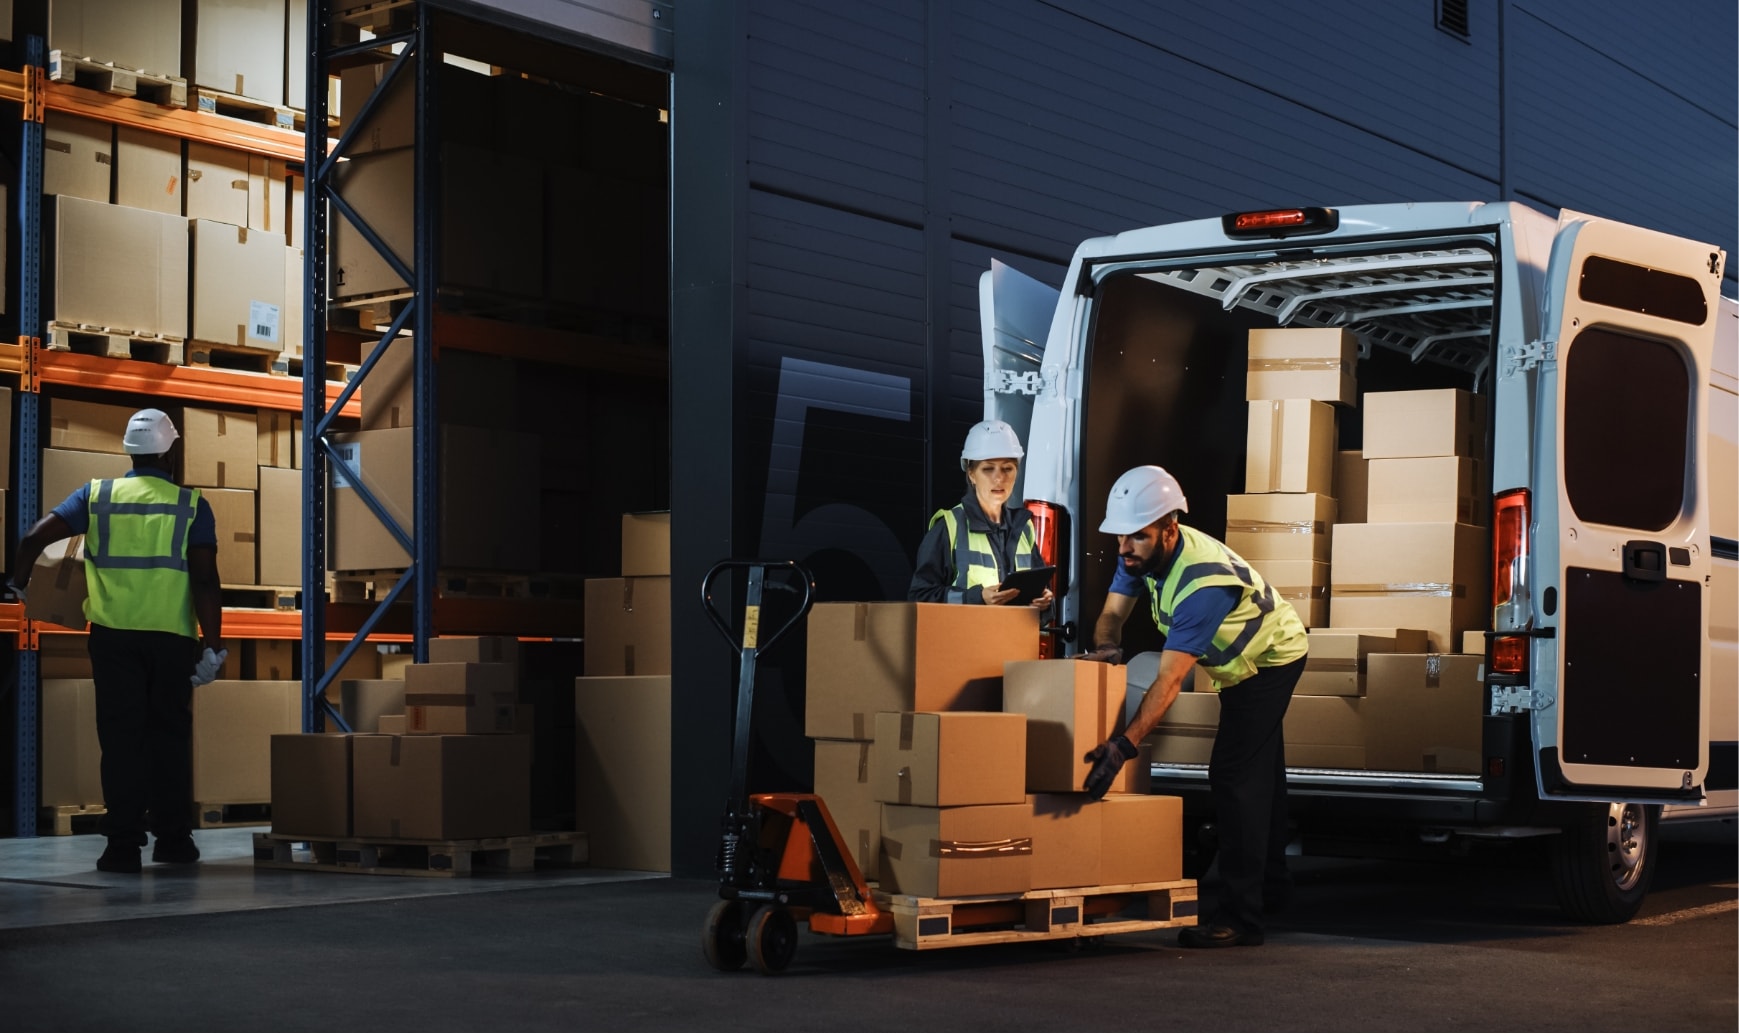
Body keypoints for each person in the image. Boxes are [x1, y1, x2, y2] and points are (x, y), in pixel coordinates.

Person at [1080, 465, 1307, 949]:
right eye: (1120, 537)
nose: (1124, 548)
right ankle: (1272, 889)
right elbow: (1112, 613)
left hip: (1269, 660)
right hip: (1240, 663)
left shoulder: (1202, 585)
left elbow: (1170, 680)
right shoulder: (1139, 554)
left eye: (1137, 537)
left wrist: (1124, 746)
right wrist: (1106, 646)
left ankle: (1241, 919)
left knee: (1234, 777)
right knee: (1261, 774)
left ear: (1170, 529)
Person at [7, 409, 227, 874]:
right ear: (170, 453)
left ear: (131, 451)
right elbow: (206, 581)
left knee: (121, 739)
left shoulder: (96, 496)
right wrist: (213, 646)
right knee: (168, 737)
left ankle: (122, 846)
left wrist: (21, 583)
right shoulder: (192, 505)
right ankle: (173, 841)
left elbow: (33, 537)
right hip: (171, 639)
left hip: (113, 639)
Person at [908, 419, 1054, 610]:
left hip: (1014, 631)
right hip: (968, 631)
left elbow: (1042, 599)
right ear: (971, 474)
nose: (999, 478)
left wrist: (1044, 602)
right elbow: (919, 597)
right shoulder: (949, 527)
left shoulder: (1024, 529)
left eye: (1007, 468)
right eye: (988, 468)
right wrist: (977, 597)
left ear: (1016, 473)